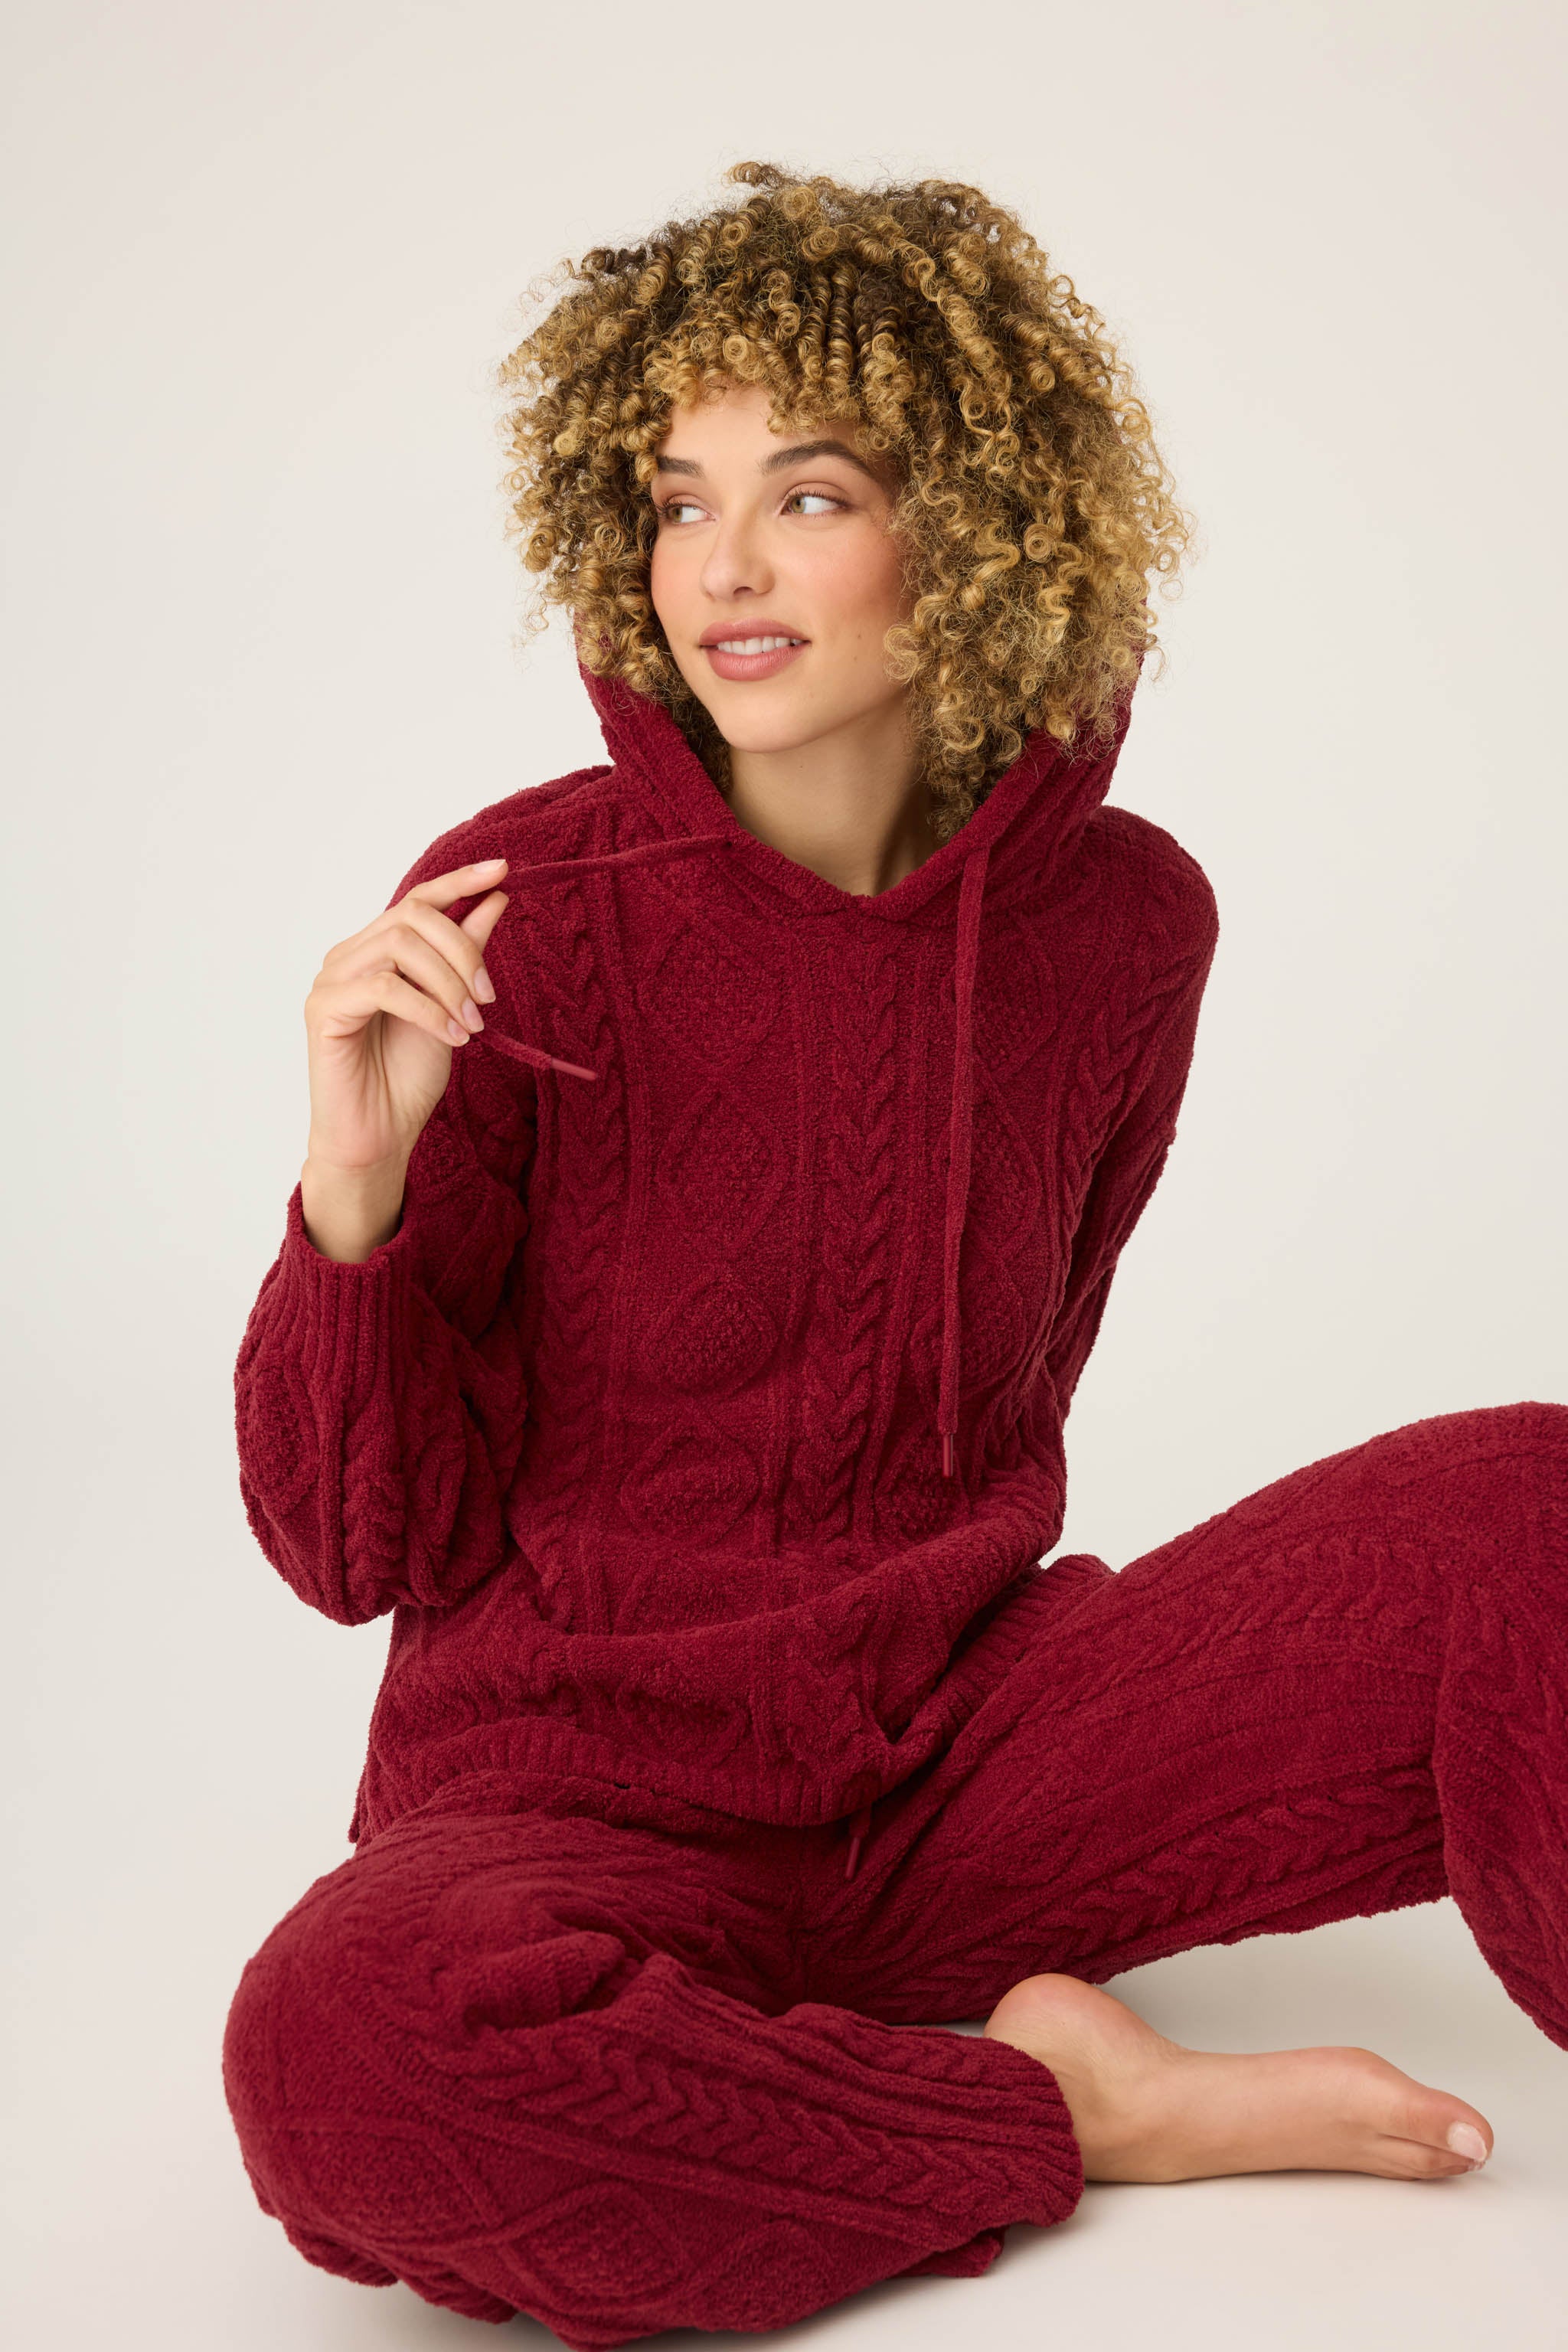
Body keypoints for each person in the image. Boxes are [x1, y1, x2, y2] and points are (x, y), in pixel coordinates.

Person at [221, 162, 1565, 2347]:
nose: (722, 567)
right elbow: (349, 1550)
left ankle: (788, 2080)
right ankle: (1061, 2109)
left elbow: (1007, 1390)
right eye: (678, 501)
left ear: (980, 529)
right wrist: (349, 1193)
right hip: (574, 1808)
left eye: (810, 494)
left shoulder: (1127, 929)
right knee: (341, 2057)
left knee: (1540, 1510)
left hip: (968, 1770)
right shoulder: (516, 909)